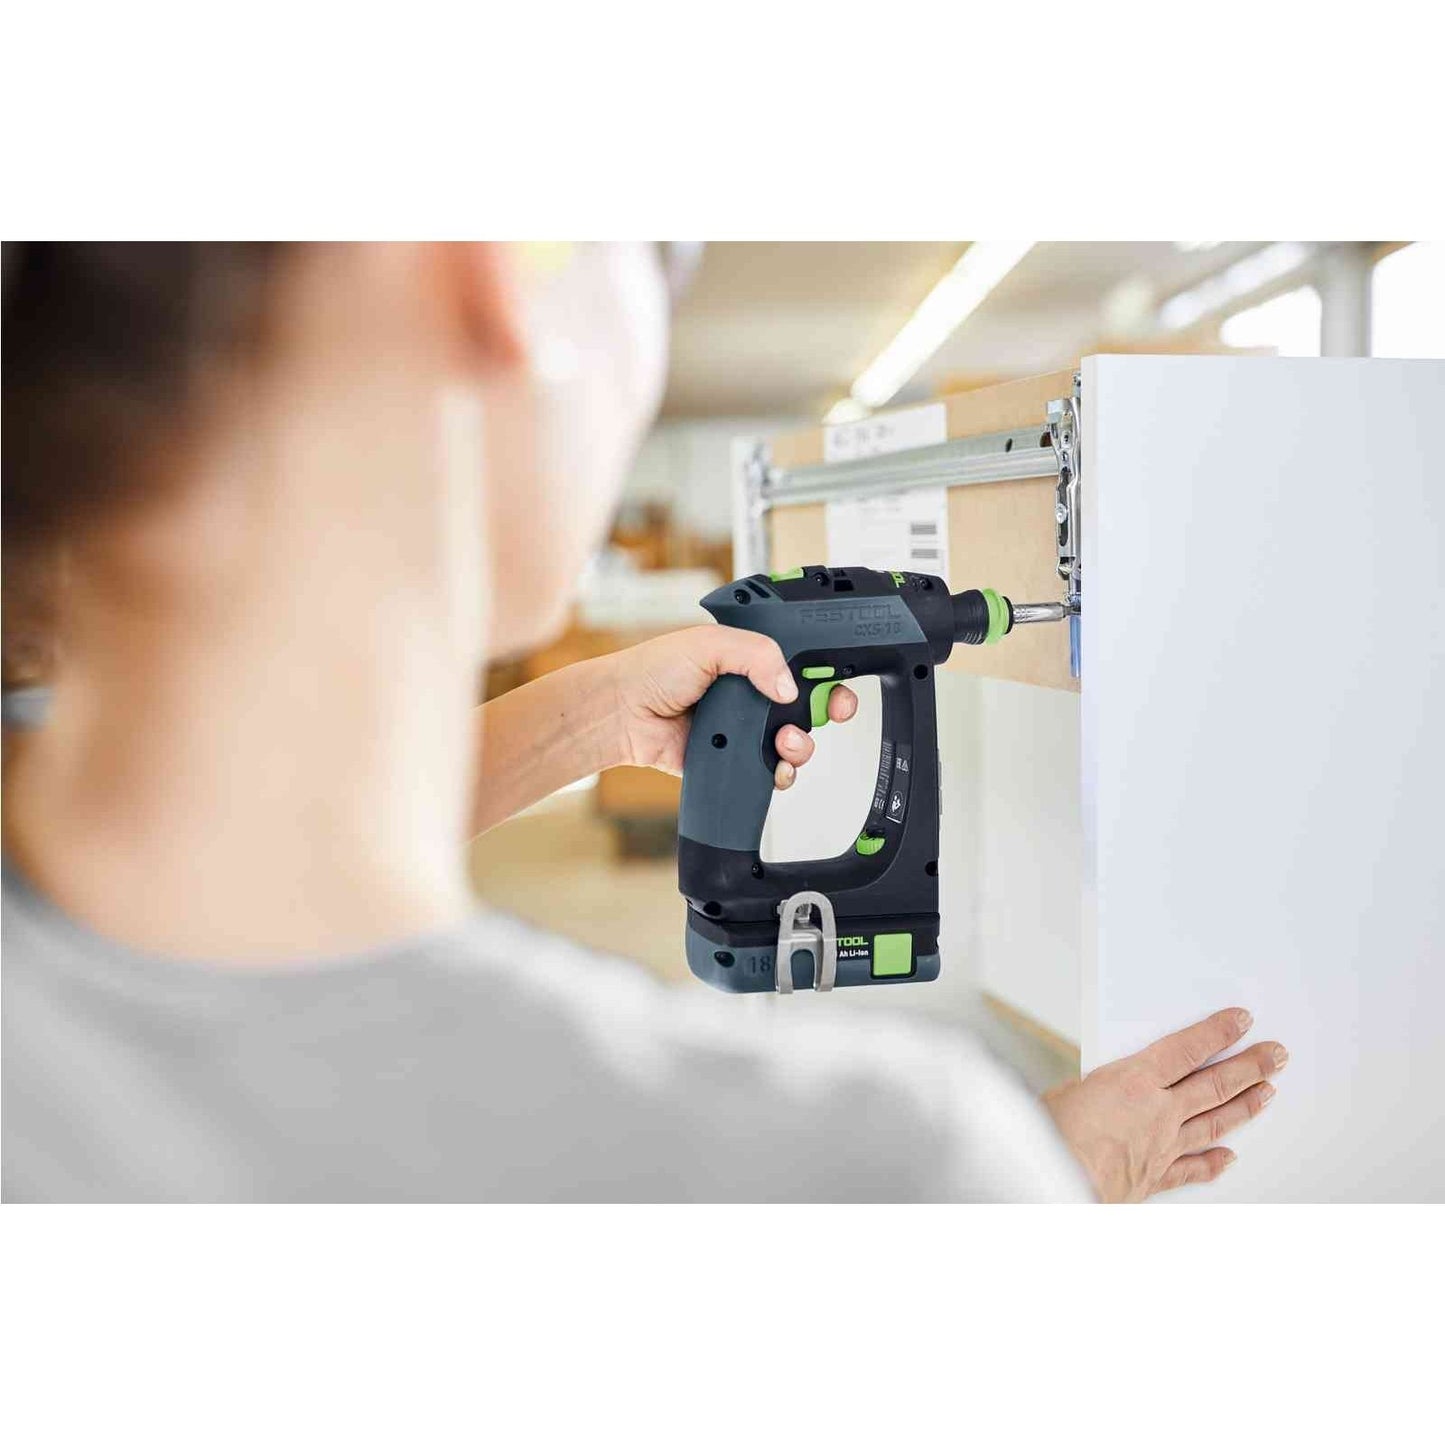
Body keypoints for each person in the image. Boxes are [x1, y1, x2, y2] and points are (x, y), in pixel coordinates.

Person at [1, 242, 1288, 1202]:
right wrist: (1030, 1189)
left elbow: (249, 854)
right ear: (498, 270)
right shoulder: (858, 1166)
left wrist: (588, 720)